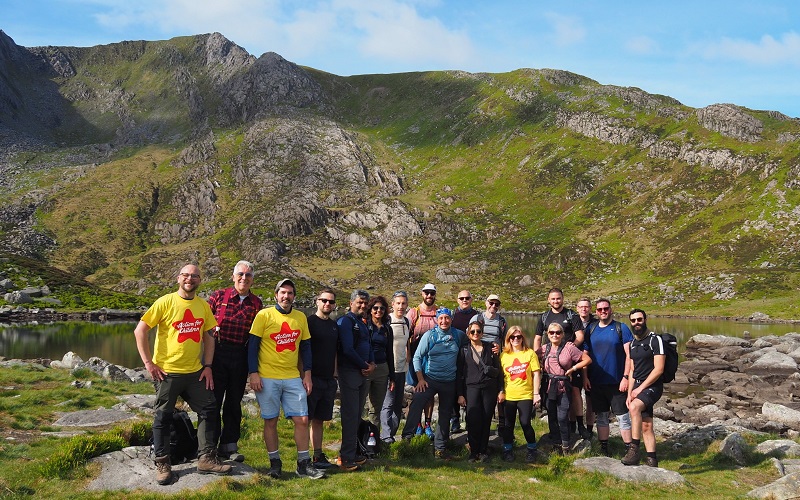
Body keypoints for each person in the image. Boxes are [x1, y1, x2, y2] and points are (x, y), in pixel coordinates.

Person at [134, 264, 231, 486]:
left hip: (195, 372)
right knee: (163, 416)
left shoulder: (203, 306)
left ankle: (206, 458)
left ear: (199, 280)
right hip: (167, 373)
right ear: (179, 278)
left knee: (209, 409)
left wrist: (207, 365)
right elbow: (140, 330)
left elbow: (208, 336)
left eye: (194, 276)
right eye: (186, 275)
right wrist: (149, 363)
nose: (190, 279)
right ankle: (163, 463)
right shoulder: (165, 302)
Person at [248, 278, 324, 480]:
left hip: (292, 377)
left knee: (302, 419)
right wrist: (253, 373)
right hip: (267, 376)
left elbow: (306, 348)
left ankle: (303, 463)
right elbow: (252, 346)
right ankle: (275, 463)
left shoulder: (300, 317)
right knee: (271, 420)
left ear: (294, 297)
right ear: (276, 295)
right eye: (282, 292)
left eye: (290, 293)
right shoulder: (264, 315)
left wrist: (306, 374)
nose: (286, 296)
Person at [207, 260, 263, 462]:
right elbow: (204, 326)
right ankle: (208, 446)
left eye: (248, 275)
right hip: (217, 354)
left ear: (252, 280)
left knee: (233, 403)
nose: (244, 278)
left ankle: (229, 446)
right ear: (233, 277)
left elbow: (257, 337)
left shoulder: (257, 304)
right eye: (240, 274)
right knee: (212, 402)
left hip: (240, 356)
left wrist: (254, 368)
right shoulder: (218, 296)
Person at [401, 307, 466, 459]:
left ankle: (440, 449)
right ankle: (406, 440)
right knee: (417, 403)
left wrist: (492, 348)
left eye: (447, 318)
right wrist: (420, 379)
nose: (444, 321)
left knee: (444, 415)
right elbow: (417, 357)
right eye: (441, 318)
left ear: (451, 319)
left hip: (449, 381)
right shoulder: (430, 335)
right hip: (430, 379)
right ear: (437, 320)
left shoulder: (458, 335)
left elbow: (473, 344)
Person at [533, 288, 587, 439]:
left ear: (563, 299)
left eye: (558, 298)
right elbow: (538, 338)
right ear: (548, 300)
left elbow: (580, 336)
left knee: (575, 391)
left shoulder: (571, 316)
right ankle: (558, 428)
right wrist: (538, 357)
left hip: (568, 360)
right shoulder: (544, 317)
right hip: (550, 360)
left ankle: (579, 424)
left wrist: (568, 351)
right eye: (553, 299)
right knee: (552, 393)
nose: (556, 301)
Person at [584, 298, 633, 457]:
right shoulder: (590, 329)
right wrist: (585, 377)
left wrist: (626, 377)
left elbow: (629, 355)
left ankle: (629, 449)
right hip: (596, 381)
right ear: (596, 312)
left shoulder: (621, 328)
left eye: (606, 308)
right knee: (602, 417)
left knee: (623, 417)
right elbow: (585, 355)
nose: (603, 311)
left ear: (610, 309)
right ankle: (603, 448)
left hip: (617, 382)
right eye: (599, 309)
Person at [538, 322, 591, 455]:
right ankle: (556, 444)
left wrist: (573, 368)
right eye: (551, 332)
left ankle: (566, 445)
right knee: (552, 416)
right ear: (547, 334)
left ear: (562, 334)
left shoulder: (569, 348)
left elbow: (587, 360)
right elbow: (531, 357)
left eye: (558, 332)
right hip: (549, 386)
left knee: (562, 416)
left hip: (563, 386)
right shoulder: (544, 348)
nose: (554, 335)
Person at [336, 289, 375, 471]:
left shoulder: (364, 322)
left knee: (357, 414)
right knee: (350, 415)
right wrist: (363, 365)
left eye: (365, 303)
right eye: (359, 302)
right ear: (351, 302)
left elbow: (369, 345)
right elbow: (347, 349)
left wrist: (372, 364)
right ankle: (345, 457)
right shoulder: (345, 321)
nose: (363, 306)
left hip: (363, 372)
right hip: (350, 371)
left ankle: (352, 452)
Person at [622, 309, 665, 467]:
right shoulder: (633, 343)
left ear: (645, 319)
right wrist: (629, 393)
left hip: (653, 385)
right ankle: (652, 460)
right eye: (633, 320)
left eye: (639, 319)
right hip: (638, 385)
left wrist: (640, 389)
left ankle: (634, 450)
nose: (636, 323)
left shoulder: (655, 340)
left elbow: (659, 369)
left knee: (634, 408)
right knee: (646, 425)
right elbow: (633, 370)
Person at [457, 320, 502, 462]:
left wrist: (501, 390)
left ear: (482, 333)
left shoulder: (491, 348)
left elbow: (498, 370)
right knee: (472, 419)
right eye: (473, 332)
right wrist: (460, 394)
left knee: (486, 418)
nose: (476, 334)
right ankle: (473, 450)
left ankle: (483, 450)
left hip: (489, 388)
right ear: (468, 333)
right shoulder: (464, 350)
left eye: (478, 331)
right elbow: (459, 374)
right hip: (471, 387)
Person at [306, 288, 339, 470]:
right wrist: (305, 375)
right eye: (324, 300)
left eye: (331, 302)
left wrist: (335, 375)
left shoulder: (334, 326)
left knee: (319, 419)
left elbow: (334, 351)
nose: (327, 304)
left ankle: (317, 456)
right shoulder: (309, 322)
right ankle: (304, 458)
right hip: (312, 378)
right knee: (306, 419)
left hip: (328, 380)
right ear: (317, 301)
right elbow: (302, 351)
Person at [498, 326, 541, 463]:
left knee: (525, 422)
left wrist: (536, 393)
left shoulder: (530, 354)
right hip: (509, 395)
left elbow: (536, 374)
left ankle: (532, 449)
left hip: (525, 395)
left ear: (523, 338)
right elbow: (500, 376)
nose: (516, 339)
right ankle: (507, 449)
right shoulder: (504, 355)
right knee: (508, 424)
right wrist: (500, 392)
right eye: (512, 337)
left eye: (518, 337)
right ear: (508, 339)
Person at [406, 283, 439, 438]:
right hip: (415, 357)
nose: (429, 296)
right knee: (416, 391)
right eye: (427, 293)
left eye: (432, 293)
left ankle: (427, 423)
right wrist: (407, 355)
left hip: (433, 358)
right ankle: (417, 424)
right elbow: (405, 334)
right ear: (422, 294)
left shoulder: (438, 313)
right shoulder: (414, 313)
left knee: (429, 392)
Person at [381, 290, 411, 443]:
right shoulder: (387, 321)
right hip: (388, 369)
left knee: (398, 404)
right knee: (388, 403)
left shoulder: (407, 321)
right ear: (392, 305)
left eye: (403, 303)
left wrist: (408, 355)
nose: (401, 306)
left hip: (402, 369)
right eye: (398, 303)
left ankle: (390, 433)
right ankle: (386, 436)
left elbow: (407, 341)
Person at [363, 295, 395, 431]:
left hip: (382, 369)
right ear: (370, 309)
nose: (379, 311)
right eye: (375, 308)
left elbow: (389, 353)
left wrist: (392, 377)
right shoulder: (364, 325)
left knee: (376, 408)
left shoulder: (387, 329)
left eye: (382, 308)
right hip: (365, 368)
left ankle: (373, 439)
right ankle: (357, 438)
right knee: (358, 405)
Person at [450, 289, 479, 433]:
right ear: (457, 300)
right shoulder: (453, 315)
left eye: (467, 298)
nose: (464, 300)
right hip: (455, 355)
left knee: (470, 385)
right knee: (456, 385)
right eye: (461, 298)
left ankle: (470, 420)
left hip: (473, 354)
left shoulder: (477, 316)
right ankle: (454, 420)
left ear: (471, 299)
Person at [576, 297, 596, 437]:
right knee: (574, 395)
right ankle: (575, 427)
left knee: (590, 399)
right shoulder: (573, 322)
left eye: (586, 306)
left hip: (593, 364)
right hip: (575, 364)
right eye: (581, 306)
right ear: (577, 308)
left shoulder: (596, 323)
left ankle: (589, 431)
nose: (584, 309)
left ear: (590, 308)